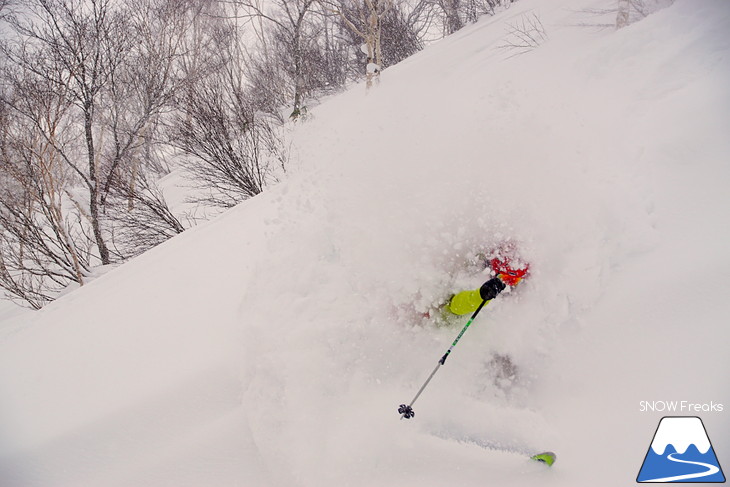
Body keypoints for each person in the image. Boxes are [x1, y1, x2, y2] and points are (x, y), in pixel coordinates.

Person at [445, 256, 528, 316]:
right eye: (503, 277)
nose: (506, 284)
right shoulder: (476, 276)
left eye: (514, 280)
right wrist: (480, 296)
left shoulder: (521, 298)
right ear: (494, 273)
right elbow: (455, 306)